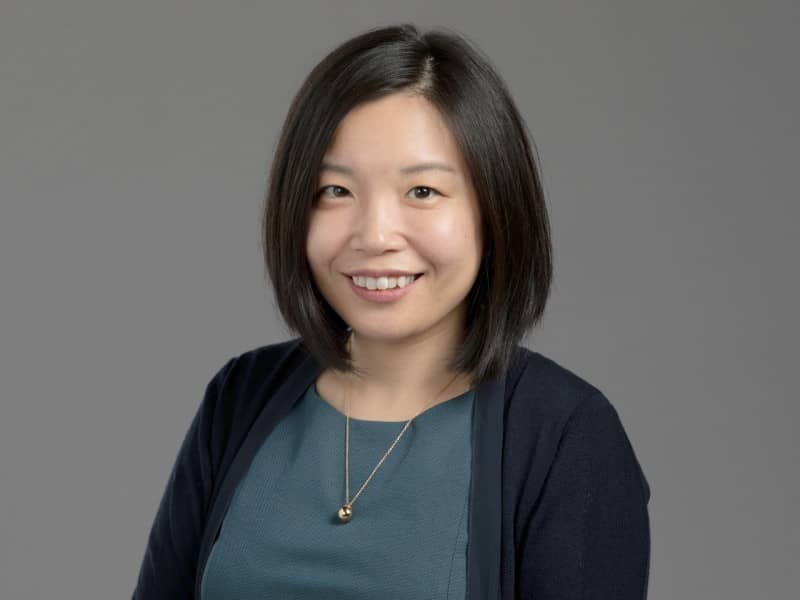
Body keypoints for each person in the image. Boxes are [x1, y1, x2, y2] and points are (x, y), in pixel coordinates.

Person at [133, 23, 651, 599]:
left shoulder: (565, 436)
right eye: (336, 191)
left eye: (422, 192)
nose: (375, 236)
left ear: (494, 210)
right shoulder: (240, 398)